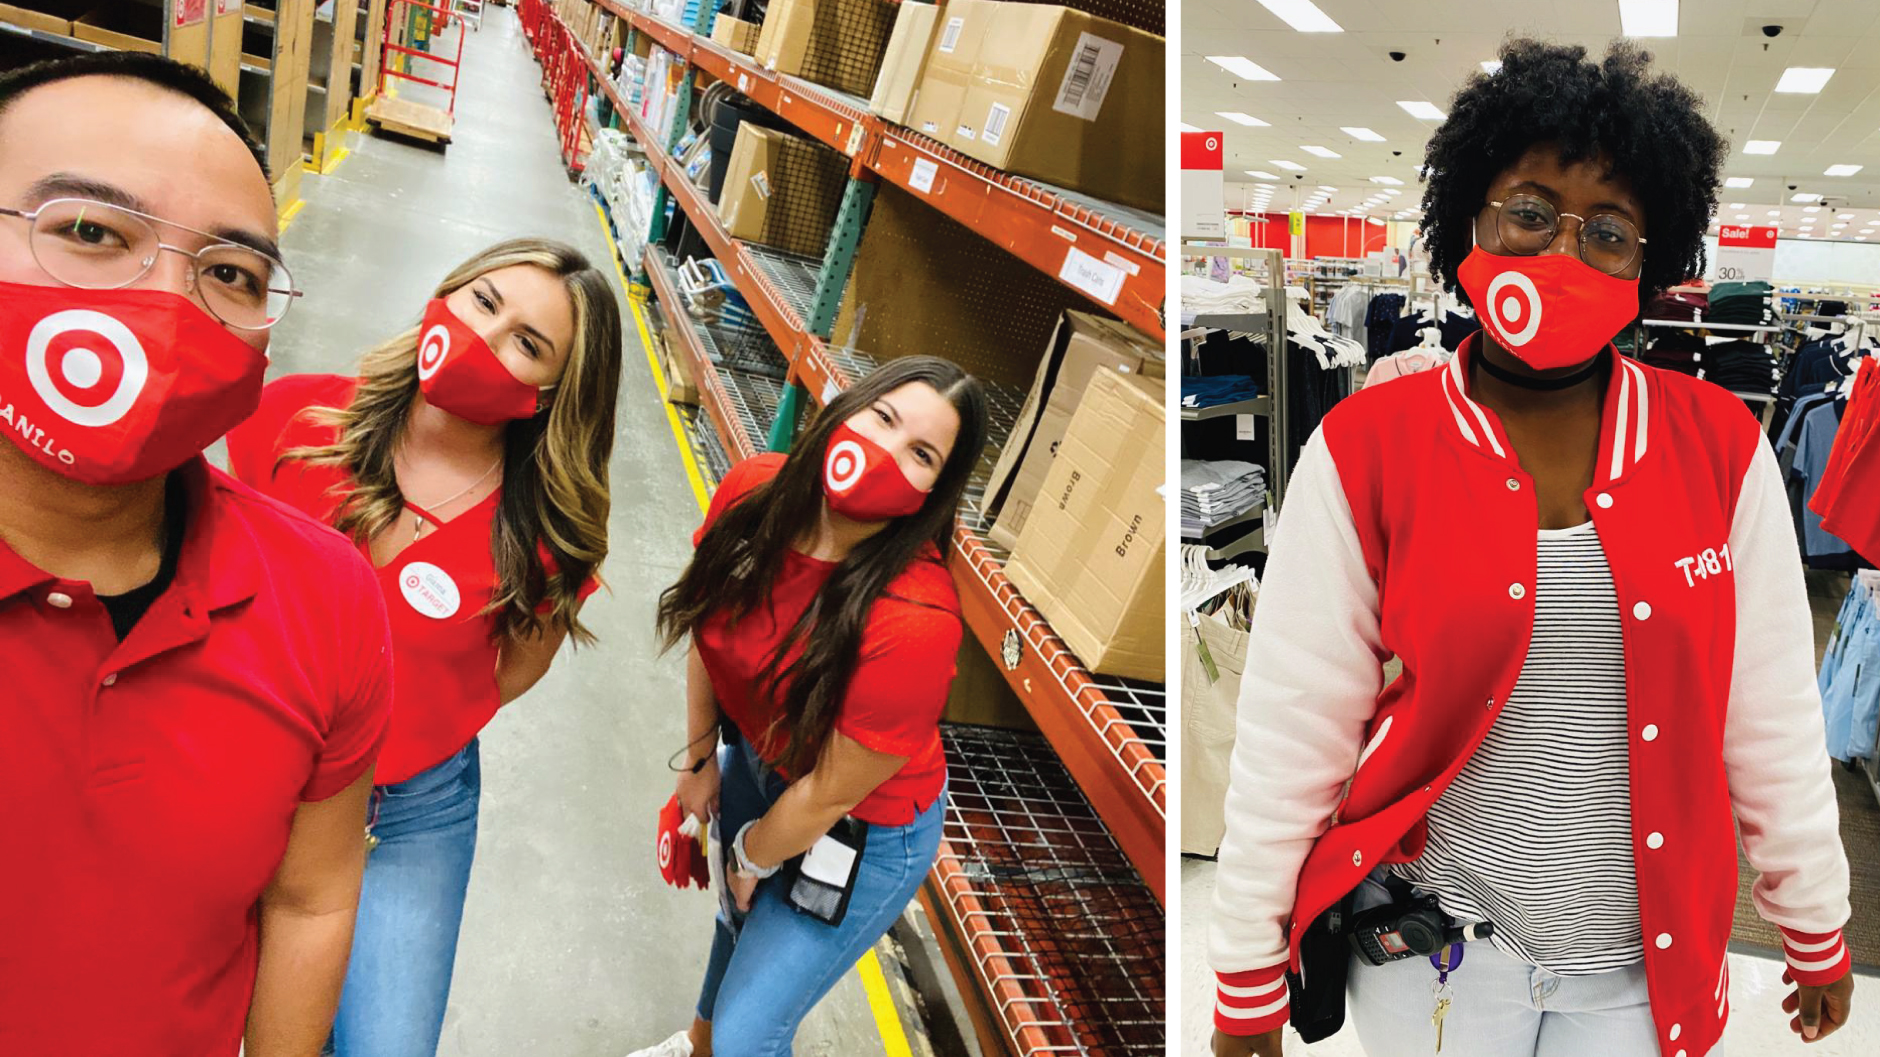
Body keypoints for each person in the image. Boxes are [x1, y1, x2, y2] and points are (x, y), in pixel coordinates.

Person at [1209, 40, 1856, 1057]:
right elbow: (1294, 725)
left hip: (1640, 971)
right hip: (1429, 958)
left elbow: (1767, 713)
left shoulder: (1716, 447)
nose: (1559, 252)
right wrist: (1246, 970)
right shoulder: (1369, 444)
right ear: (1467, 215)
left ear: (1651, 258)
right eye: (1526, 210)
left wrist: (1812, 921)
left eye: (1607, 230)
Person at [0, 53, 394, 1056]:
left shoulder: (326, 600)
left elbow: (309, 902)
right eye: (91, 231)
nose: (167, 303)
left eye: (229, 272)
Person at [224, 238, 623, 1057]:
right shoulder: (296, 420)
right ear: (445, 295)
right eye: (484, 303)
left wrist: (412, 717)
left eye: (528, 342)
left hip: (406, 814)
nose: (487, 336)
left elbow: (509, 673)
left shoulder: (543, 538)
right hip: (249, 770)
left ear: (551, 393)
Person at [629, 356, 989, 1057]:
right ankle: (695, 1047)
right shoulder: (755, 491)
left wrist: (750, 855)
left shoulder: (914, 618)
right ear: (844, 410)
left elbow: (828, 793)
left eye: (921, 453)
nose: (884, 450)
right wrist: (699, 760)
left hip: (864, 828)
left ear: (933, 494)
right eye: (882, 417)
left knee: (751, 1033)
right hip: (762, 765)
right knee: (733, 928)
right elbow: (709, 624)